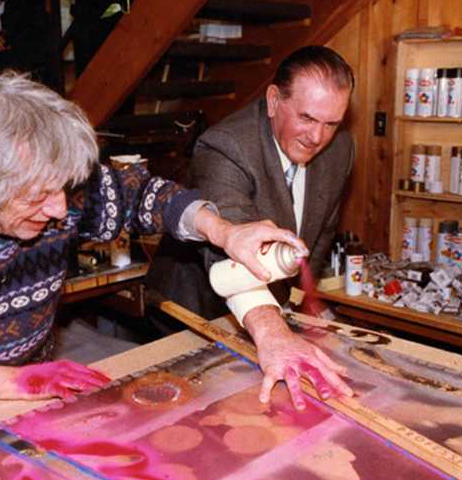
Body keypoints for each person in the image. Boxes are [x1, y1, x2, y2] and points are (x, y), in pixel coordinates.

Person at [0, 71, 308, 432]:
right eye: (37, 196)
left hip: (32, 392)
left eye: (64, 189)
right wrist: (18, 382)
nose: (61, 210)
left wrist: (223, 232)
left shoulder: (54, 179)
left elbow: (142, 195)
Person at [147, 45, 357, 410]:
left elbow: (319, 233)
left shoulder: (341, 149)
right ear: (274, 100)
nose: (317, 137)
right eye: (306, 118)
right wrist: (273, 331)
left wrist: (302, 301)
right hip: (194, 310)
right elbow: (237, 247)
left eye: (331, 123)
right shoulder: (224, 145)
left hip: (267, 311)